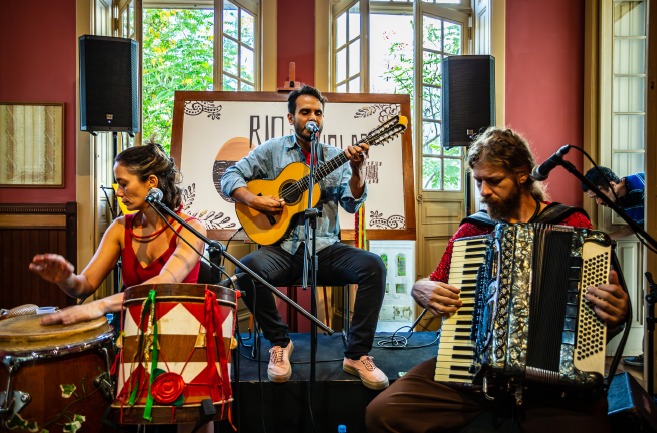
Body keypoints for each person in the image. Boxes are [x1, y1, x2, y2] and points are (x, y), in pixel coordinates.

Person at [366, 127, 629, 433]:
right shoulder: (472, 232)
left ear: (521, 176)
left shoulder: (571, 224)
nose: (483, 192)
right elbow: (435, 281)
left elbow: (606, 311)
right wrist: (419, 287)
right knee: (382, 413)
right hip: (473, 373)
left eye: (493, 181)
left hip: (553, 384)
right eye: (478, 181)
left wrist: (617, 311)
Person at [29, 140, 209, 433]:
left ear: (151, 182)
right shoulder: (120, 228)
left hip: (183, 342)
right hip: (134, 337)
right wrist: (64, 277)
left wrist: (95, 308)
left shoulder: (192, 228)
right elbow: (83, 285)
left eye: (124, 183)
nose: (119, 192)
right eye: (117, 184)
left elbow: (162, 284)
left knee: (188, 418)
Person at [221, 85, 389, 390]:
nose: (312, 118)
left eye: (318, 112)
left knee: (373, 266)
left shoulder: (335, 157)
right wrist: (255, 201)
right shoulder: (271, 150)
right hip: (282, 249)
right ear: (291, 117)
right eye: (305, 112)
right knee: (247, 268)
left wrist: (357, 170)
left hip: (325, 248)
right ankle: (280, 343)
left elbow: (350, 203)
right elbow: (229, 176)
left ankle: (356, 354)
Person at [582, 166, 646, 368]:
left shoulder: (641, 184)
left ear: (610, 185)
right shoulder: (621, 203)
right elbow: (634, 227)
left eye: (598, 196)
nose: (599, 202)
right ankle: (647, 354)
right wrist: (605, 238)